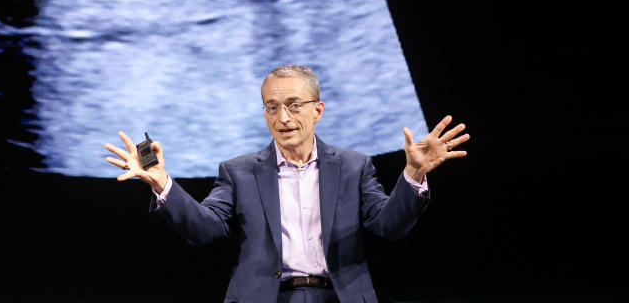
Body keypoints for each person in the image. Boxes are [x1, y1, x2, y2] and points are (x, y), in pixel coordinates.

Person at [104, 64, 469, 303]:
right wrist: (162, 183)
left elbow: (388, 226)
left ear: (318, 110)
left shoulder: (355, 167)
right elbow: (205, 229)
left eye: (295, 105)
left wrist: (414, 175)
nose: (284, 117)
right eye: (272, 107)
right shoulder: (239, 171)